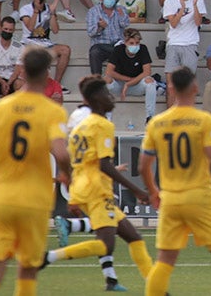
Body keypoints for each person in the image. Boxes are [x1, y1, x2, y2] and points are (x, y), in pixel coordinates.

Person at [138, 67, 211, 296]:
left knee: (164, 261)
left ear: (170, 88)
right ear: (195, 88)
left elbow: (143, 166)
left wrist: (153, 191)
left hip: (170, 199)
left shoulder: (157, 123)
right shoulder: (203, 120)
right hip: (199, 196)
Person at [0, 48, 70, 296]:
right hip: (34, 199)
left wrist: (5, 160)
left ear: (21, 71)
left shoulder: (1, 107)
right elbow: (62, 153)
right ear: (47, 73)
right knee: (27, 270)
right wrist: (67, 175)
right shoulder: (52, 110)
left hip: (1, 198)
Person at [42, 76, 153, 293]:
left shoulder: (81, 126)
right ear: (96, 99)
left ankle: (154, 286)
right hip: (96, 189)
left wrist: (73, 195)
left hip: (84, 186)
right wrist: (136, 189)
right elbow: (103, 164)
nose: (111, 97)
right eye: (106, 93)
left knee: (134, 238)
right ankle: (48, 257)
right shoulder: (102, 125)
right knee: (105, 244)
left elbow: (74, 161)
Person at [19, 0, 72, 86]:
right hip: (29, 44)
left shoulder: (49, 8)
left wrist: (52, 13)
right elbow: (29, 28)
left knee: (65, 50)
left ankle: (56, 85)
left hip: (45, 43)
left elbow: (55, 30)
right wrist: (36, 11)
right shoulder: (25, 9)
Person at [104, 28, 159, 126]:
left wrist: (129, 84)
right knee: (106, 80)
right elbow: (109, 71)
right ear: (125, 42)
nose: (135, 46)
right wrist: (127, 80)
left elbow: (147, 72)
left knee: (150, 82)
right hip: (119, 86)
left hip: (137, 85)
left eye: (137, 43)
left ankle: (150, 117)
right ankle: (106, 117)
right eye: (131, 43)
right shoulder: (118, 50)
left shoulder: (143, 49)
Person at [162, 0, 206, 73]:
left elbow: (198, 23)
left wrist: (194, 5)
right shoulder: (170, 2)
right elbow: (173, 24)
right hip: (173, 43)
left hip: (190, 43)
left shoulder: (199, 1)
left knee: (188, 80)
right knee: (171, 79)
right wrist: (182, 9)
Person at [87, 0, 130, 76]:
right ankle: (96, 81)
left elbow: (125, 24)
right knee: (94, 52)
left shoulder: (121, 9)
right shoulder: (93, 11)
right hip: (102, 46)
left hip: (118, 46)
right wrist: (100, 27)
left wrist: (122, 15)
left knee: (123, 50)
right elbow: (90, 32)